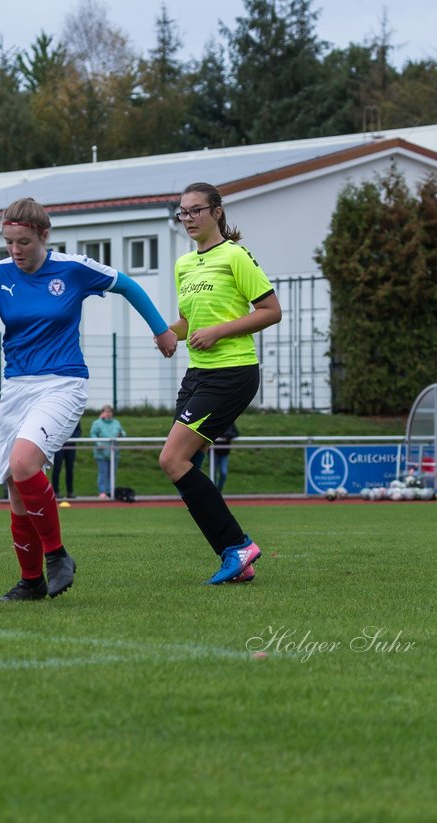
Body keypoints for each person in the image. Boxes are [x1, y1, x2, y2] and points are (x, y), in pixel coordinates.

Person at [0, 197, 177, 601]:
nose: (15, 251)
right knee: (16, 491)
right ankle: (31, 581)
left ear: (44, 235)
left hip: (62, 383)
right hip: (16, 390)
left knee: (23, 465)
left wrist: (162, 330)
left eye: (22, 242)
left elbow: (127, 284)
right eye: (8, 242)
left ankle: (58, 557)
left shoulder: (73, 269)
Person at [157, 182, 282, 585]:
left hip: (233, 371)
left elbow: (271, 311)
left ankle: (236, 545)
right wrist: (167, 332)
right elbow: (190, 321)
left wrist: (220, 332)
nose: (188, 219)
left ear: (217, 211)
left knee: (171, 460)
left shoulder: (235, 255)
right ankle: (239, 560)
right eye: (183, 212)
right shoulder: (183, 265)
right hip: (198, 374)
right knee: (181, 463)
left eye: (195, 210)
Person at [90, 404, 125, 499]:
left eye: (109, 411)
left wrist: (120, 435)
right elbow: (93, 434)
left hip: (114, 452)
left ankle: (110, 491)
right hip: (102, 453)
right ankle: (102, 491)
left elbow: (123, 433)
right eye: (106, 411)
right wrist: (98, 444)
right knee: (103, 472)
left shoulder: (116, 423)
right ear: (102, 413)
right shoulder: (97, 423)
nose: (108, 414)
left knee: (112, 473)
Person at [50, 423, 80, 500]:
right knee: (57, 468)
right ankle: (55, 491)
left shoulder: (74, 417)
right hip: (58, 446)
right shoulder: (58, 417)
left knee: (70, 469)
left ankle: (70, 492)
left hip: (71, 446)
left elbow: (78, 431)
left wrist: (69, 440)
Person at [212, 423, 240, 490]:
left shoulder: (230, 422)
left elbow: (236, 433)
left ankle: (218, 490)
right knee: (213, 472)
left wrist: (228, 436)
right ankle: (213, 489)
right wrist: (225, 435)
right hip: (213, 452)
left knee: (223, 472)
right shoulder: (214, 420)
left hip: (224, 452)